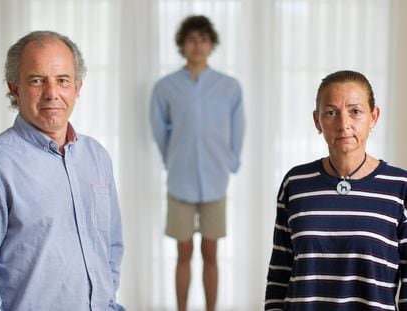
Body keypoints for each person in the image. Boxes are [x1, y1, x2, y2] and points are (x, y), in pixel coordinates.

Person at [0, 31, 124, 310]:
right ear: (14, 87)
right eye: (37, 80)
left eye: (62, 80)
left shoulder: (97, 156)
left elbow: (110, 247)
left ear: (77, 87)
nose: (52, 93)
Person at [265, 70, 407, 310]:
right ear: (317, 121)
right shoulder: (296, 183)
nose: (344, 124)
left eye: (355, 111)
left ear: (374, 117)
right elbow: (280, 271)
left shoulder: (399, 186)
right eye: (331, 113)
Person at [150, 15, 245, 311]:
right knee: (183, 252)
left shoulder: (229, 86)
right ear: (182, 44)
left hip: (216, 181)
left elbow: (238, 128)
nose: (197, 45)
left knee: (211, 252)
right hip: (180, 181)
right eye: (191, 39)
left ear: (211, 43)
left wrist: (231, 162)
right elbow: (159, 129)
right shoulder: (165, 87)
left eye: (203, 38)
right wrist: (171, 158)